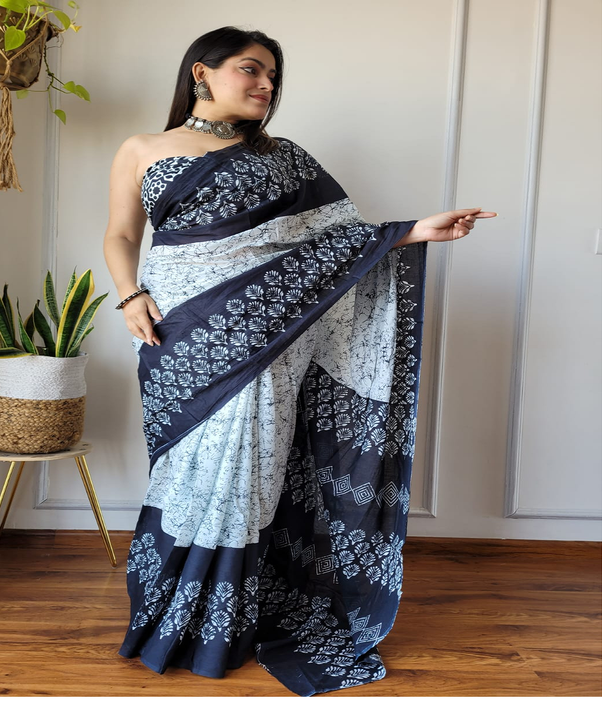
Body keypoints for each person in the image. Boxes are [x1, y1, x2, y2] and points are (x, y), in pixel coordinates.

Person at [103, 26, 496, 697]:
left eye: (273, 77)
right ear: (202, 72)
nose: (266, 85)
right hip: (180, 335)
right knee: (187, 470)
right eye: (251, 70)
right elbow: (119, 233)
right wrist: (128, 294)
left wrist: (415, 231)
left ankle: (224, 625)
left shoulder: (285, 158)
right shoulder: (142, 149)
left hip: (268, 338)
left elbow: (339, 243)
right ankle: (168, 611)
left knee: (248, 471)